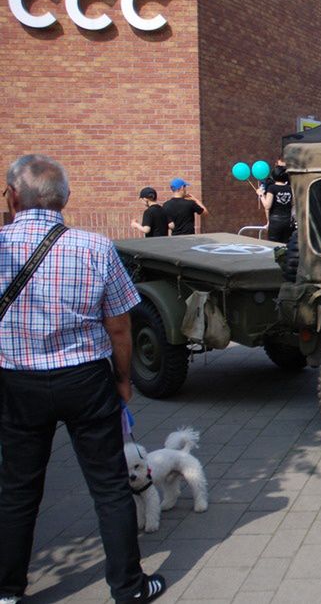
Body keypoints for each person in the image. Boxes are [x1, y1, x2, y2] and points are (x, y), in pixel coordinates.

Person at [0, 155, 167, 603]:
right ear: (66, 199)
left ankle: (7, 592)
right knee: (110, 487)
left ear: (12, 197)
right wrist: (124, 380)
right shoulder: (95, 247)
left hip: (17, 382)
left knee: (17, 491)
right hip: (86, 380)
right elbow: (120, 327)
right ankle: (129, 588)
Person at [256, 164, 294, 243]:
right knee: (285, 245)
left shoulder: (272, 188)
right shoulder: (290, 188)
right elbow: (293, 203)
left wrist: (261, 195)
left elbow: (267, 206)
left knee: (274, 245)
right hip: (288, 221)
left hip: (275, 222)